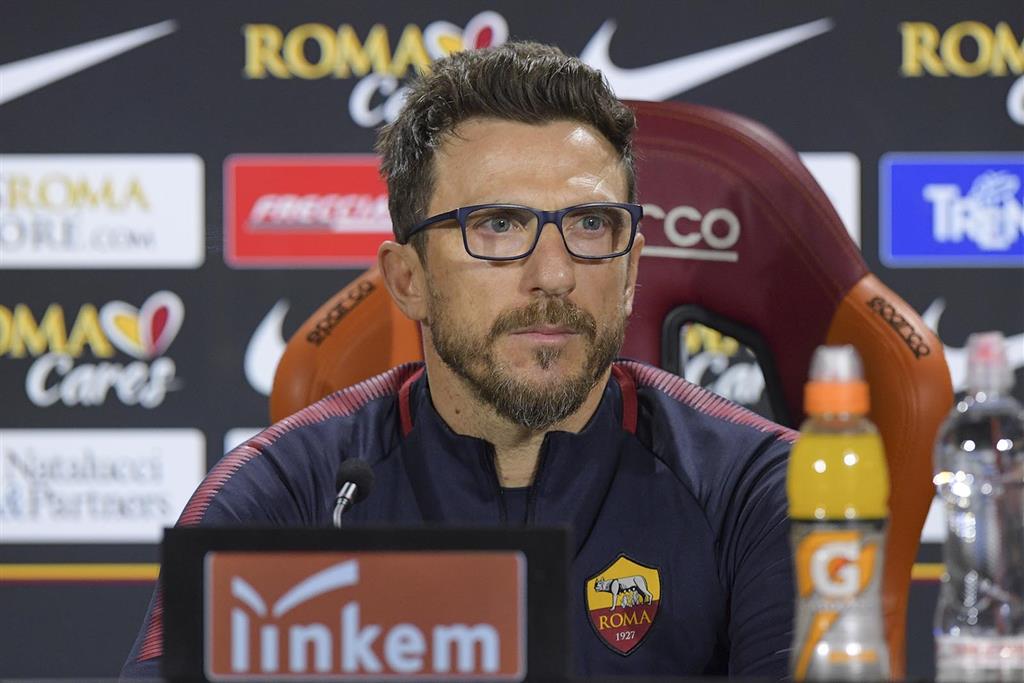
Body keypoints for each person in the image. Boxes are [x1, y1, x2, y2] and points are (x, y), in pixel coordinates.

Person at [121, 42, 795, 678]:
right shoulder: (281, 499)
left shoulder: (758, 490)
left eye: (591, 225)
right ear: (408, 279)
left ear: (630, 273)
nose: (554, 275)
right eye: (498, 225)